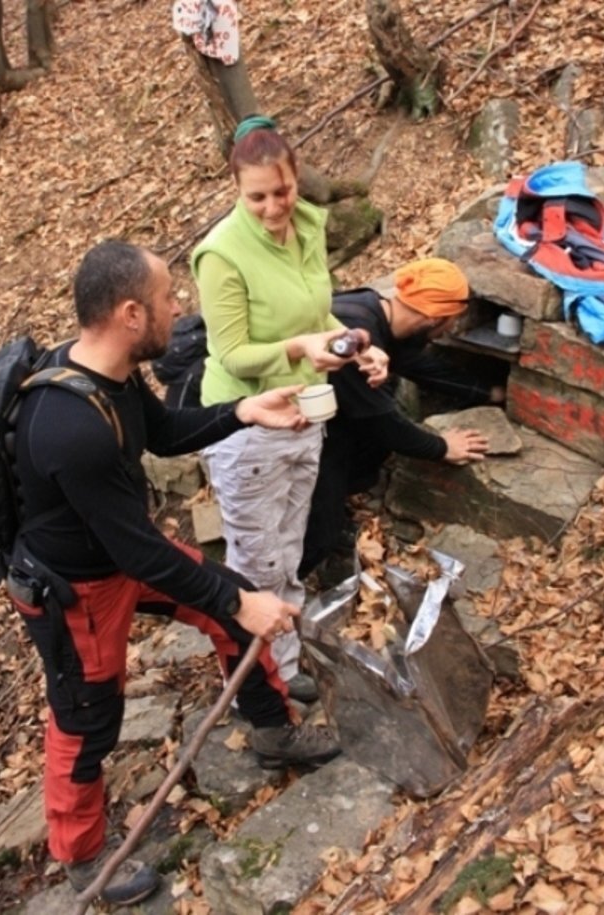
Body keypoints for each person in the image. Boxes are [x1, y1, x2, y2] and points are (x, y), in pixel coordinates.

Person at [8, 240, 341, 908]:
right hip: (77, 588)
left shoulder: (113, 373)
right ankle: (82, 858)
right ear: (131, 314)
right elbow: (139, 554)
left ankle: (273, 731)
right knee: (87, 717)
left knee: (232, 605)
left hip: (123, 551)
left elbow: (161, 432)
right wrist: (240, 601)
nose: (179, 305)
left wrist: (243, 411)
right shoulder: (70, 427)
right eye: (167, 296)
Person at [190, 115, 388, 702]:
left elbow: (313, 312)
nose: (273, 207)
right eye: (257, 197)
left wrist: (356, 346)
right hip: (247, 424)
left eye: (282, 191)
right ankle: (257, 687)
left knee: (288, 552)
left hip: (304, 415)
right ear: (236, 189)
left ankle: (286, 662)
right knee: (256, 564)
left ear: (297, 179)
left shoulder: (306, 226)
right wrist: (301, 349)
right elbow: (234, 352)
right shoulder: (221, 254)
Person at [300, 258, 497, 581]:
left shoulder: (376, 309)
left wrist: (486, 392)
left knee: (361, 451)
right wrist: (442, 447)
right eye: (452, 321)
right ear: (435, 318)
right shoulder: (354, 335)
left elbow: (419, 366)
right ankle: (276, 591)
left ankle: (334, 505)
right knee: (321, 532)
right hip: (289, 425)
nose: (451, 330)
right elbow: (383, 424)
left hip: (328, 414)